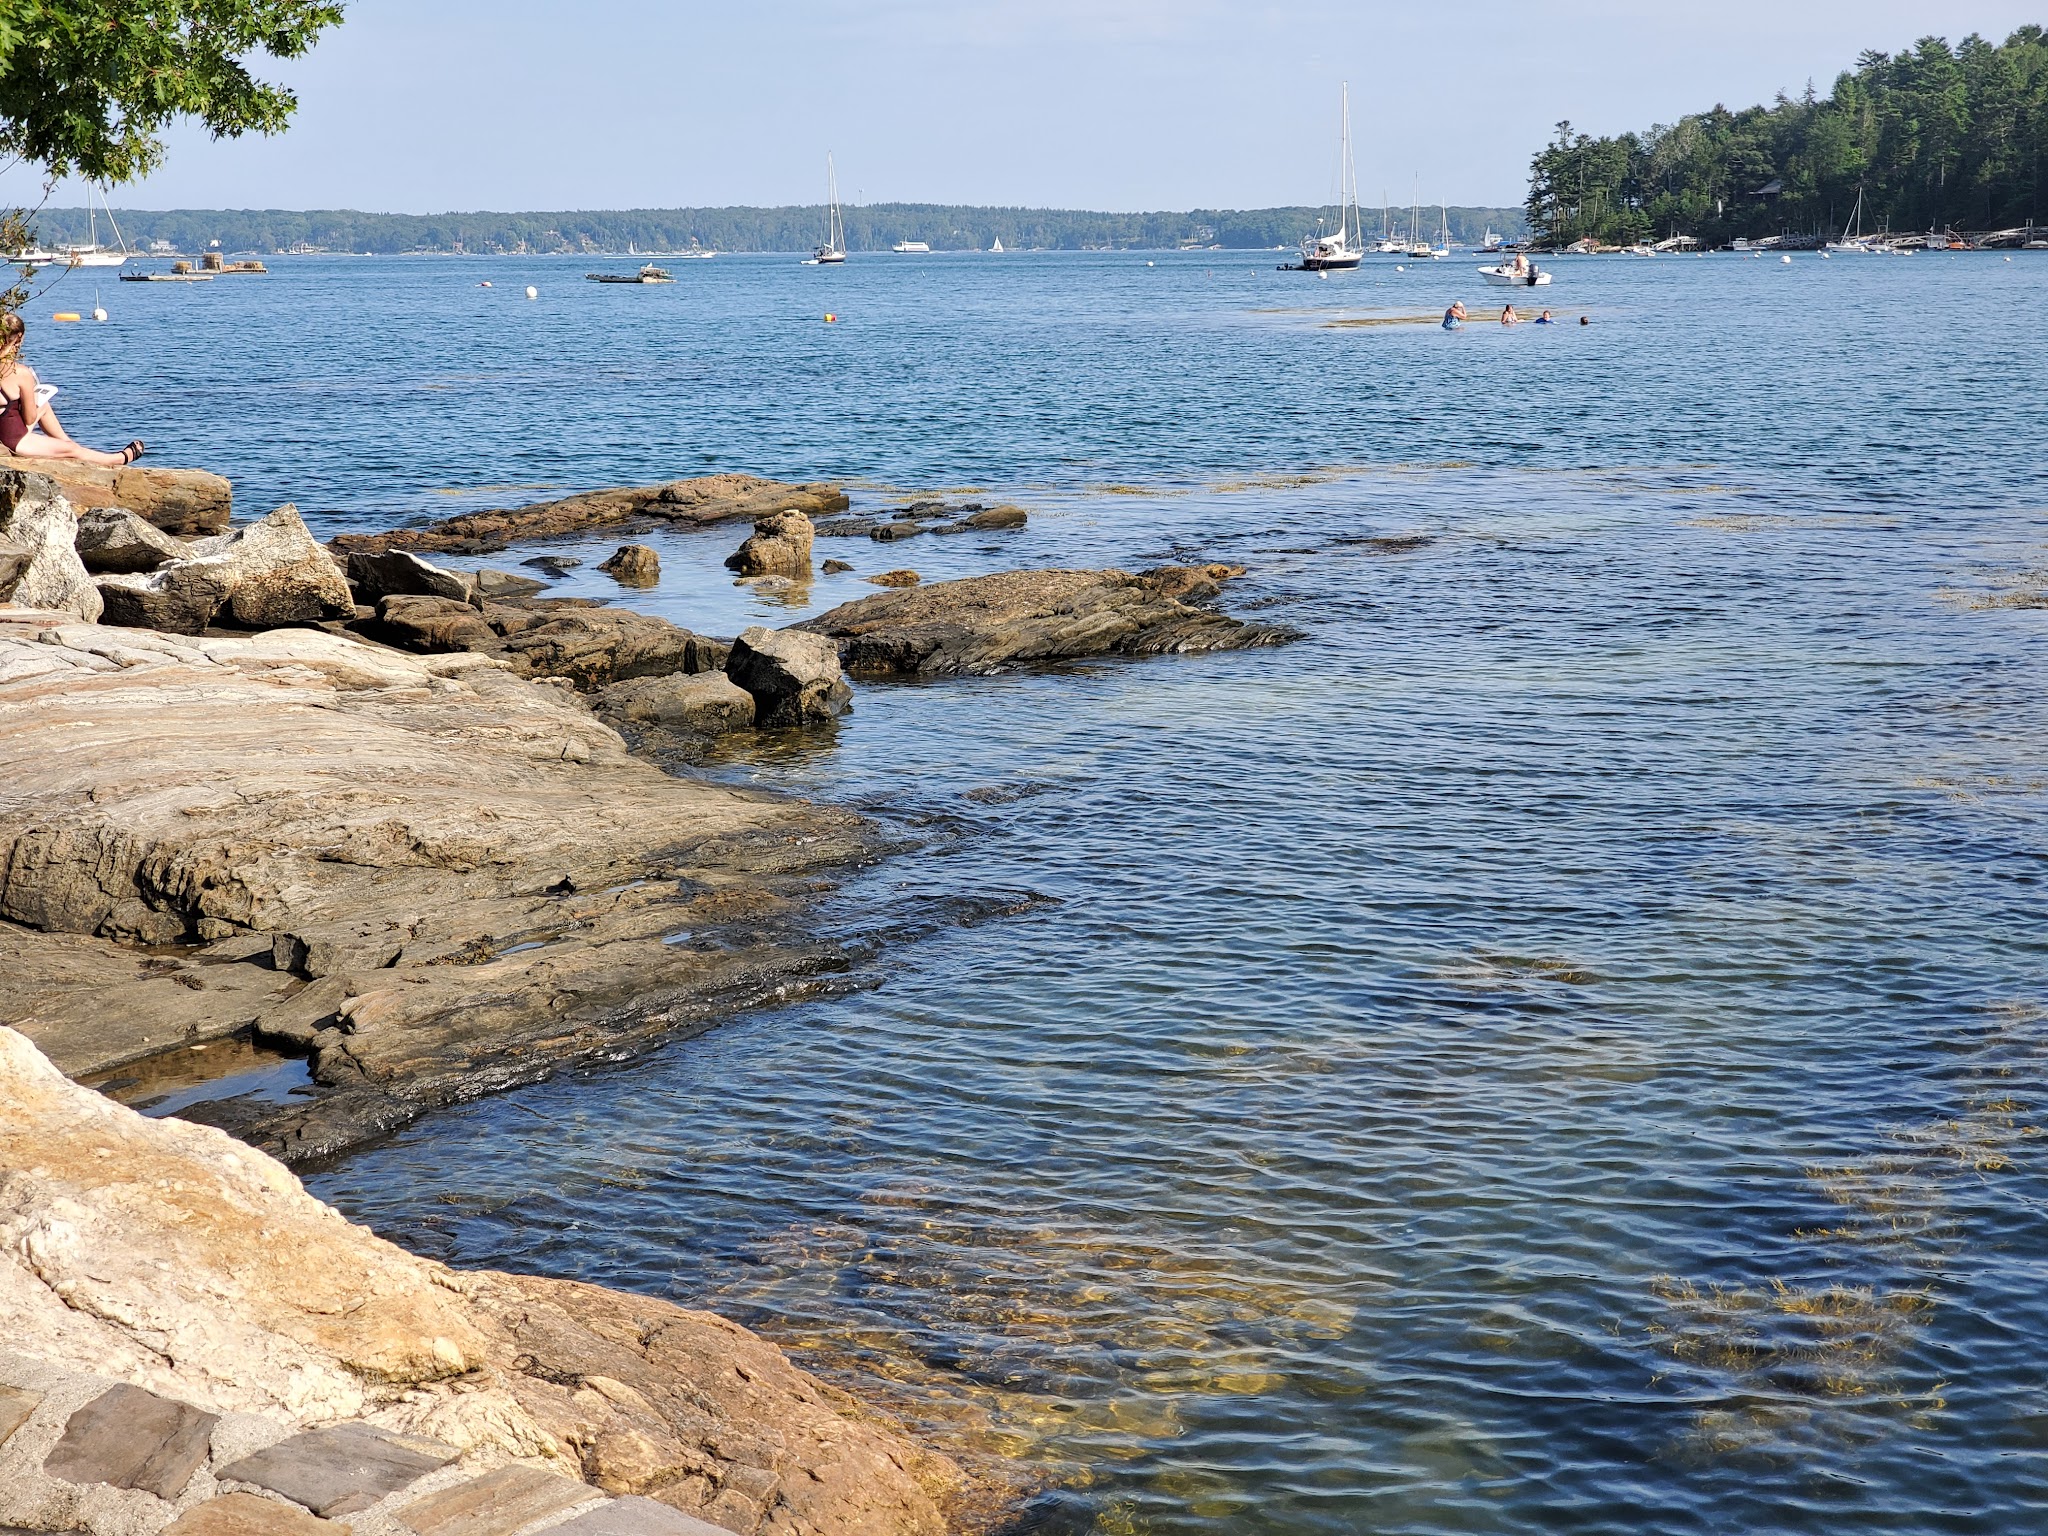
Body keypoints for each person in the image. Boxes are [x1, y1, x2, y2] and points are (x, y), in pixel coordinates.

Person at [0, 314, 145, 466]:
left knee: (43, 405)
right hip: (14, 440)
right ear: (19, 338)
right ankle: (118, 459)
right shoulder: (20, 372)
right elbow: (30, 419)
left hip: (5, 432)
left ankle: (64, 444)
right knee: (72, 449)